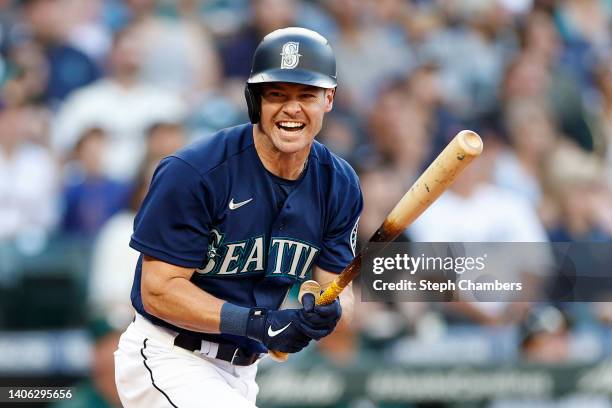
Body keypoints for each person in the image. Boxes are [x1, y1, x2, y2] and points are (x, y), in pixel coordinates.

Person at [114, 27, 362, 407]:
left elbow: (334, 284)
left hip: (244, 372)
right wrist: (258, 323)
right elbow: (159, 289)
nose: (292, 108)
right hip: (169, 355)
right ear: (254, 100)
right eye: (276, 94)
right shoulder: (195, 172)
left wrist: (329, 311)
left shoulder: (338, 183)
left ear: (328, 99)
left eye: (306, 95)